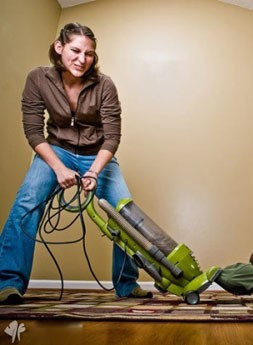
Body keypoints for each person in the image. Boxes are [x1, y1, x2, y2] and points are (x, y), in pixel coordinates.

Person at [0, 23, 151, 305]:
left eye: (89, 53)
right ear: (60, 48)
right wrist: (58, 167)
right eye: (76, 50)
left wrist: (94, 171)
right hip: (56, 151)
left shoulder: (104, 84)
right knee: (27, 201)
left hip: (98, 154)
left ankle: (127, 283)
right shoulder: (38, 78)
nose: (82, 59)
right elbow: (33, 131)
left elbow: (113, 136)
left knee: (125, 213)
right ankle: (8, 283)